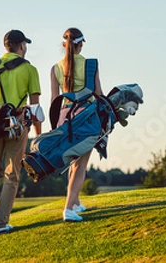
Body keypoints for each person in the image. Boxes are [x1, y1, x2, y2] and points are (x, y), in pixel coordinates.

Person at [0, 29, 42, 237]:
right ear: (21, 46)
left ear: (6, 47)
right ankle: (1, 223)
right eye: (25, 45)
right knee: (11, 175)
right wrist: (37, 136)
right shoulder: (30, 70)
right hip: (17, 126)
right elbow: (35, 108)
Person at [51, 27, 102, 222]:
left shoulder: (55, 68)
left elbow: (55, 101)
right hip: (86, 118)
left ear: (64, 45)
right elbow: (98, 94)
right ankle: (68, 210)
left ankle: (75, 203)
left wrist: (56, 127)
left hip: (65, 117)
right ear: (80, 44)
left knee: (73, 163)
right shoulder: (91, 64)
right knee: (81, 165)